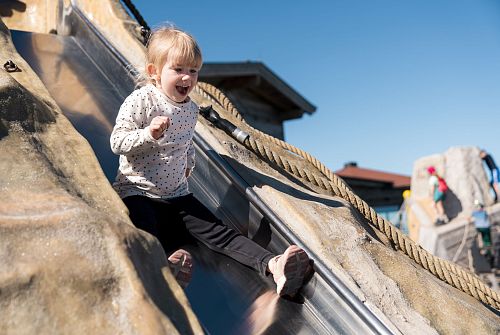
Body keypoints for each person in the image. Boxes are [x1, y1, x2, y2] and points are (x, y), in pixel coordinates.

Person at [110, 25, 310, 296]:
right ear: (154, 73)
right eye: (178, 69)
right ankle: (161, 273)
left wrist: (188, 163)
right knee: (145, 229)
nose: (187, 77)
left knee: (222, 233)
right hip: (137, 191)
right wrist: (148, 134)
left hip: (177, 196)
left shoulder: (191, 109)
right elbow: (116, 142)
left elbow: (185, 142)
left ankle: (273, 265)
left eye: (193, 71)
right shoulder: (141, 100)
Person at [470, 200, 494, 266]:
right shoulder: (483, 211)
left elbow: (469, 218)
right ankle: (488, 251)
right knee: (487, 241)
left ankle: (484, 249)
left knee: (482, 238)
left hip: (479, 228)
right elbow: (488, 215)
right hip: (485, 227)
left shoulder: (474, 212)